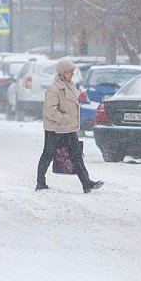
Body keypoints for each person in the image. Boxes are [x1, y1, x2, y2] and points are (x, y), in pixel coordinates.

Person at [36, 58, 104, 193]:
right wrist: (63, 119)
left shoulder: (70, 86)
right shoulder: (54, 89)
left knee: (76, 155)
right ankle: (40, 183)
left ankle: (86, 183)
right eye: (69, 72)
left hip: (69, 128)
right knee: (48, 154)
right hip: (55, 129)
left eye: (72, 72)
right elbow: (49, 110)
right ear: (62, 73)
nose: (72, 74)